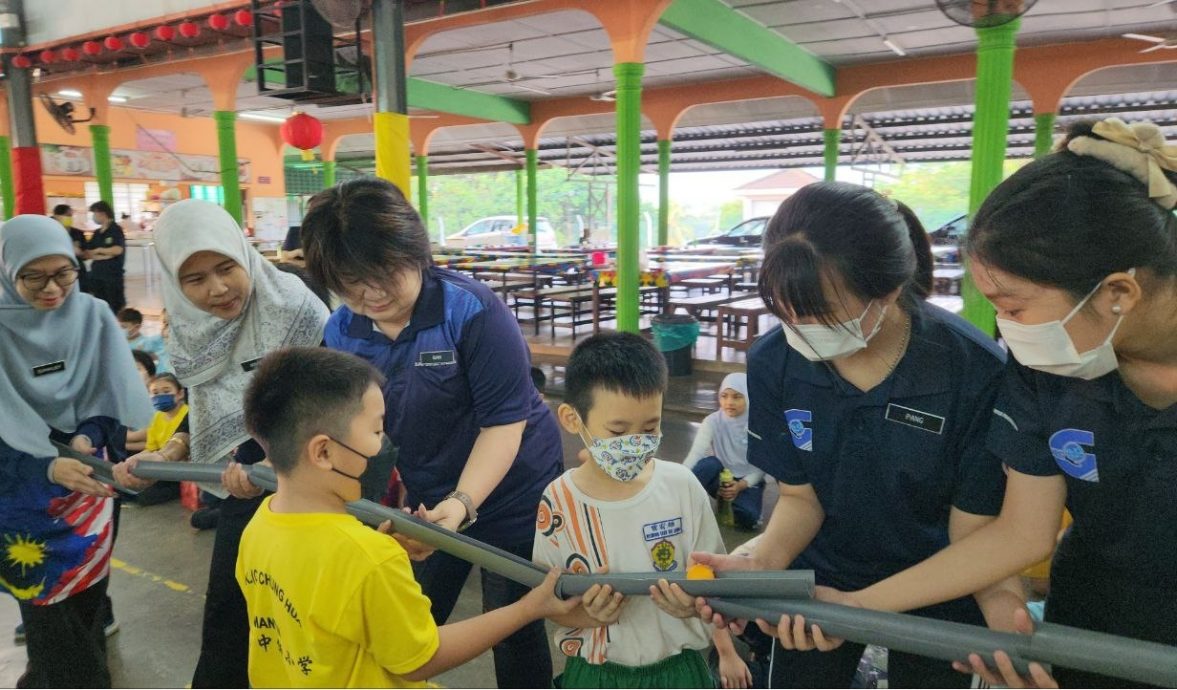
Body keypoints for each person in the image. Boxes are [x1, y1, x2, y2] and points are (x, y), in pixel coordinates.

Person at [794, 119, 1177, 689]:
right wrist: (860, 607)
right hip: (1090, 625)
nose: (1005, 328)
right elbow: (1023, 532)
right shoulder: (1050, 368)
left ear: (1118, 292)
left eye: (1015, 307)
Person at [688, 182, 1018, 689]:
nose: (798, 328)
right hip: (818, 579)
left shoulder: (971, 371)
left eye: (819, 311)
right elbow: (800, 498)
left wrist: (1005, 615)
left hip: (939, 579)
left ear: (885, 291)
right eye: (785, 310)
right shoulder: (774, 359)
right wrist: (757, 562)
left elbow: (974, 534)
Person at [301, 177, 563, 688]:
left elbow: (503, 423)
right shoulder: (341, 331)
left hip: (514, 488)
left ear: (414, 251)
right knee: (413, 616)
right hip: (429, 493)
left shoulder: (473, 312)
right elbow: (349, 427)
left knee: (513, 619)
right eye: (351, 281)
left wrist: (463, 504)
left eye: (383, 273)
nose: (370, 293)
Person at [235, 346, 578, 687]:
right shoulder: (369, 560)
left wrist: (382, 548)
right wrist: (530, 608)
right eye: (376, 431)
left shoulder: (260, 526)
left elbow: (318, 594)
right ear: (323, 452)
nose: (384, 444)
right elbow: (419, 659)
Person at [114, 199, 330, 688]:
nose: (217, 289)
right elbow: (204, 403)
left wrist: (272, 461)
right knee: (229, 620)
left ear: (243, 253)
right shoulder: (189, 325)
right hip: (240, 487)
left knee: (306, 626)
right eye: (195, 279)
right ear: (174, 281)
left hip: (311, 491)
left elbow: (337, 405)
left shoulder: (294, 304)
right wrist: (170, 451)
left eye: (226, 267)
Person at [535, 332, 751, 688]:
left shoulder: (681, 486)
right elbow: (547, 598)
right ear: (573, 420)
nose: (636, 443)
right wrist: (587, 616)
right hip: (596, 674)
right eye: (618, 431)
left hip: (678, 671)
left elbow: (713, 579)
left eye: (651, 428)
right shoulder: (559, 501)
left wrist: (699, 608)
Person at [0, 214, 153, 688]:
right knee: (48, 615)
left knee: (87, 601)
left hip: (89, 489)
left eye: (64, 272)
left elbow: (112, 396)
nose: (53, 289)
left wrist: (88, 435)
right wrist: (46, 467)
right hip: (23, 498)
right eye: (34, 277)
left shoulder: (91, 314)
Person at [682, 373, 764, 530]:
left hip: (746, 481)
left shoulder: (758, 425)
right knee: (708, 465)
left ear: (747, 397)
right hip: (721, 477)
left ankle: (728, 502)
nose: (729, 402)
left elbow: (762, 467)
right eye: (724, 396)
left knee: (749, 518)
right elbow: (695, 454)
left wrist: (739, 486)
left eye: (737, 397)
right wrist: (676, 480)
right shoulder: (712, 421)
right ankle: (685, 504)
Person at [130, 373, 189, 506]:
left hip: (180, 467)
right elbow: (151, 449)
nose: (160, 396)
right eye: (155, 393)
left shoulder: (187, 415)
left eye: (166, 391)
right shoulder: (156, 418)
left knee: (143, 496)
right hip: (161, 463)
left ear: (180, 393)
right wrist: (129, 463)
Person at [84, 201, 126, 313]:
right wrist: (105, 255)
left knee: (114, 306)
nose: (93, 217)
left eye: (94, 213)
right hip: (97, 275)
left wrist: (99, 250)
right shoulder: (97, 233)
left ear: (102, 213)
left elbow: (118, 250)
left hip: (112, 276)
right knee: (100, 306)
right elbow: (88, 253)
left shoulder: (115, 230)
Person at [118, 307, 171, 372]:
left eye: (123, 327)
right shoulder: (117, 344)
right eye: (163, 322)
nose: (164, 327)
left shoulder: (150, 343)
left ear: (137, 327)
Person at [52, 203, 89, 293]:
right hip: (57, 272)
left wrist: (80, 252)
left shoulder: (78, 233)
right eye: (67, 215)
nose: (70, 218)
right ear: (57, 216)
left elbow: (86, 254)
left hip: (78, 272)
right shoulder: (50, 233)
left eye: (71, 216)